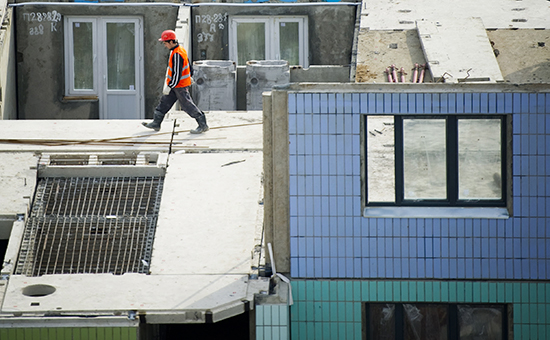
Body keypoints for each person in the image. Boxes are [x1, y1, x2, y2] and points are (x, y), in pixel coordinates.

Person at [142, 30, 208, 133]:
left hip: (179, 86)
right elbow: (189, 67)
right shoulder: (180, 50)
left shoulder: (177, 54)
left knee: (187, 105)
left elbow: (177, 73)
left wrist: (170, 85)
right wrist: (189, 76)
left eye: (165, 43)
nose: (165, 45)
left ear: (171, 42)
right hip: (177, 85)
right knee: (165, 102)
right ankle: (156, 123)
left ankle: (202, 124)